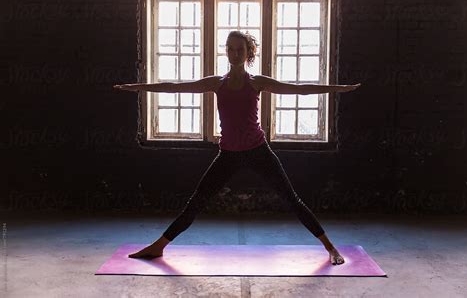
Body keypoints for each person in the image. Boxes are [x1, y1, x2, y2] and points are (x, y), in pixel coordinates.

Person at [114, 30, 360, 265]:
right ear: (226, 52)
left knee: (292, 200)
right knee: (196, 202)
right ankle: (158, 246)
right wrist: (139, 87)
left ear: (248, 52)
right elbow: (176, 86)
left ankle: (330, 247)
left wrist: (337, 89)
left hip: (258, 151)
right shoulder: (216, 83)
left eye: (239, 49)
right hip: (228, 154)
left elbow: (299, 90)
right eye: (230, 49)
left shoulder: (257, 82)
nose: (234, 53)